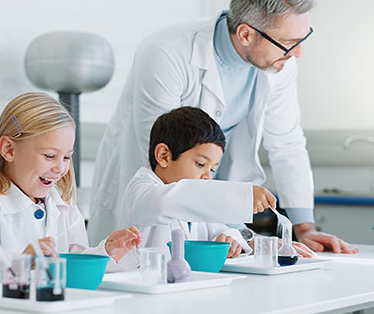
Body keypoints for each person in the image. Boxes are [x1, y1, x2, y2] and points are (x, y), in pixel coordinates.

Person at [88, 0, 357, 254]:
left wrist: (305, 228)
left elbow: (287, 143)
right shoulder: (166, 52)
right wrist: (236, 200)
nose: (298, 54)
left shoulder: (278, 64)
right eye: (290, 43)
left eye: (303, 39)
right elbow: (163, 162)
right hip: (150, 217)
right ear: (245, 34)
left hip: (208, 213)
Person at [0, 93, 142, 284]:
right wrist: (24, 261)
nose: (60, 169)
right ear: (9, 149)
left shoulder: (63, 206)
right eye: (49, 156)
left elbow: (75, 263)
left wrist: (106, 254)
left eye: (67, 157)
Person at [119, 106, 314, 258]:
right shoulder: (143, 189)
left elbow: (225, 230)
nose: (207, 176)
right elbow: (166, 203)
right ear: (163, 156)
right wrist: (243, 195)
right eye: (200, 164)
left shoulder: (198, 202)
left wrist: (232, 239)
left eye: (212, 169)